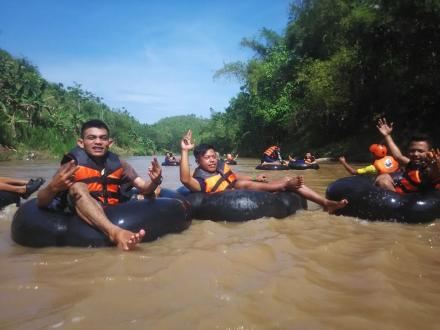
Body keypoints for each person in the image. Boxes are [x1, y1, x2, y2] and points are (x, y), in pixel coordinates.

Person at [37, 119, 163, 251]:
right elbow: (41, 201)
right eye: (91, 138)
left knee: (157, 191)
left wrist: (155, 181)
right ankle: (115, 234)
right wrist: (53, 187)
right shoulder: (71, 165)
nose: (98, 142)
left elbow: (144, 187)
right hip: (80, 212)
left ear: (110, 143)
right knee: (78, 186)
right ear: (81, 142)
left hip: (113, 209)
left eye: (103, 138)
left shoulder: (119, 163)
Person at [179, 130, 347, 213]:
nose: (212, 160)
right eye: (207, 158)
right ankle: (283, 185)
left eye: (213, 156)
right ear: (198, 161)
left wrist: (255, 176)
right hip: (226, 200)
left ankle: (325, 203)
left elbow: (233, 176)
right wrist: (185, 151)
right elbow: (185, 180)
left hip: (243, 187)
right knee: (243, 184)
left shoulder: (221, 166)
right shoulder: (200, 180)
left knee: (285, 177)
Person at [375, 118, 438, 194]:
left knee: (383, 181)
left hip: (412, 201)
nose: (415, 154)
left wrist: (436, 165)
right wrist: (387, 136)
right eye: (412, 150)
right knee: (383, 178)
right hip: (399, 196)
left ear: (429, 152)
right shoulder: (411, 164)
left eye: (420, 151)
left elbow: (434, 172)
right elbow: (398, 156)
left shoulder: (430, 168)